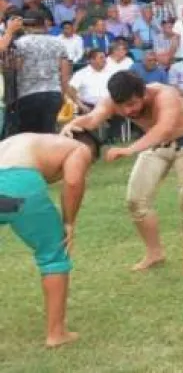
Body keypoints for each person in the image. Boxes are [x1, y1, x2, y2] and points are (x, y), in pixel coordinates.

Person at [61, 72, 183, 280]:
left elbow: (163, 129)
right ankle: (154, 253)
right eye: (122, 106)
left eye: (132, 104)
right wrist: (73, 124)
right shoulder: (114, 100)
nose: (127, 111)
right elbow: (93, 118)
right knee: (136, 201)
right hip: (154, 146)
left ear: (144, 94)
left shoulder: (165, 95)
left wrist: (130, 150)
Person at [0, 130, 100, 348]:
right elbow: (73, 182)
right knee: (53, 253)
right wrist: (69, 222)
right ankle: (57, 333)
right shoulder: (80, 148)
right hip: (17, 186)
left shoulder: (29, 140)